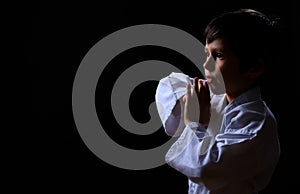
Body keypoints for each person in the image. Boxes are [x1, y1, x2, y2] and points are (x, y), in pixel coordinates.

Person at [155, 9, 280, 194]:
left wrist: (195, 122)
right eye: (207, 53)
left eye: (219, 56)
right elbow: (168, 84)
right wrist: (188, 101)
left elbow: (204, 168)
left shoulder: (256, 125)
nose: (206, 65)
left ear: (254, 67)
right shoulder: (215, 97)